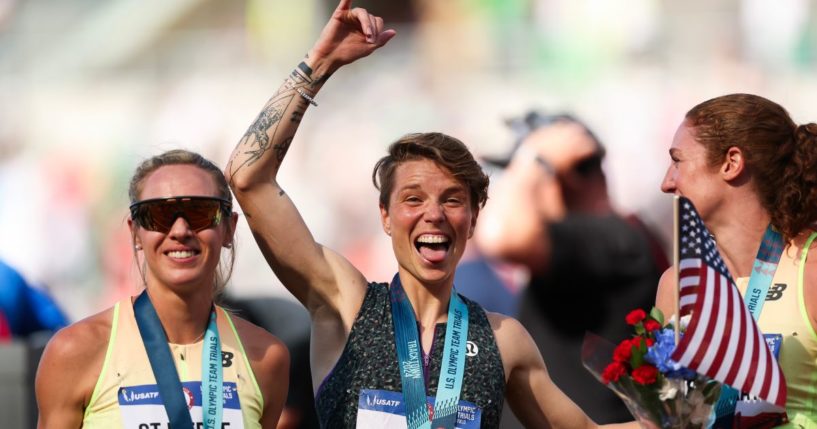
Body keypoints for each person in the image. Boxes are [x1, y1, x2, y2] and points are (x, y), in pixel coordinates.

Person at [225, 1, 638, 427]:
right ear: (385, 216)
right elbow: (247, 178)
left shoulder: (503, 340)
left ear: (473, 219)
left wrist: (686, 414)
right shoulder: (344, 304)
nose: (434, 214)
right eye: (413, 199)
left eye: (453, 200)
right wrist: (320, 64)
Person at [34, 150, 289, 428]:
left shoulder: (266, 357)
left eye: (200, 212)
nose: (180, 230)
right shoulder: (75, 351)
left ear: (228, 228)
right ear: (135, 232)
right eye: (159, 214)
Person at [474, 112, 668, 424]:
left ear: (566, 179)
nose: (516, 192)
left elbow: (501, 236)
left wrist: (534, 158)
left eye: (525, 180)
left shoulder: (613, 239)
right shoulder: (615, 238)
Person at [655, 93, 817, 427]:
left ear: (731, 162)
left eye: (677, 161)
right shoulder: (678, 284)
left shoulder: (812, 268)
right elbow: (662, 422)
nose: (667, 183)